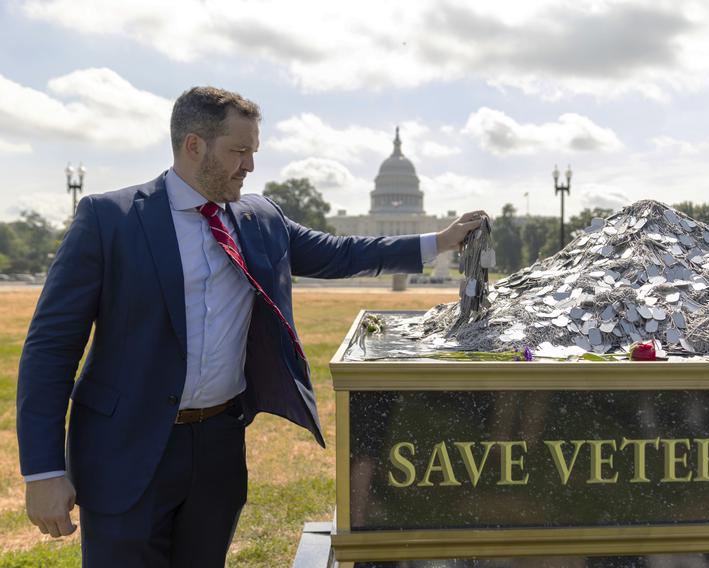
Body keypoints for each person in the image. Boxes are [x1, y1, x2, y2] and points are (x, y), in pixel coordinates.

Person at [17, 86, 484, 567]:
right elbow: (50, 350)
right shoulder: (108, 220)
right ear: (193, 145)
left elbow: (341, 253)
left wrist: (440, 241)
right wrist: (43, 470)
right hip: (125, 450)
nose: (250, 166)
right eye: (239, 152)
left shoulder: (259, 217)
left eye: (254, 152)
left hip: (217, 445)